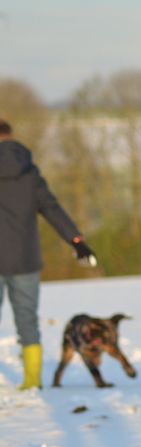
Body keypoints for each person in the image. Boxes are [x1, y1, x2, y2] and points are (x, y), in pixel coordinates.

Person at [0, 118, 98, 390]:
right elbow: (52, 208)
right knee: (27, 321)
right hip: (25, 259)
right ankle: (32, 382)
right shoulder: (29, 172)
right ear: (11, 136)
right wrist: (77, 240)